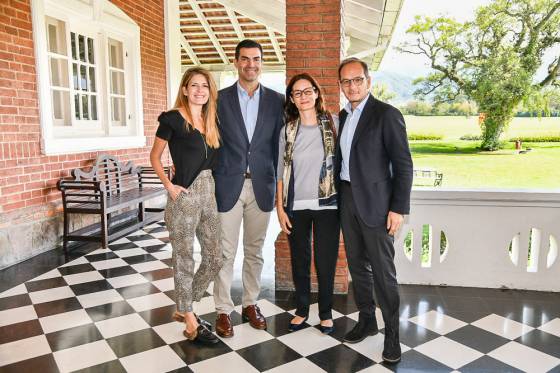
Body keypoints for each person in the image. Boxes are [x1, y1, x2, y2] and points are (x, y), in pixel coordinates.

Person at [336, 58, 413, 363]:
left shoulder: (387, 114)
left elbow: (404, 165)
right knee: (357, 267)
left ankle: (392, 334)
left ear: (368, 81)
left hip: (379, 206)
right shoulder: (342, 116)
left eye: (357, 80)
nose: (352, 86)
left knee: (383, 273)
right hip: (347, 200)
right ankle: (367, 320)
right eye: (346, 81)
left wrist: (398, 208)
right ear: (341, 85)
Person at [212, 39, 284, 337]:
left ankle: (250, 303)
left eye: (255, 59)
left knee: (255, 251)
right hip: (228, 184)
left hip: (262, 187)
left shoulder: (278, 101)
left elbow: (283, 144)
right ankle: (223, 310)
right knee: (225, 252)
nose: (250, 64)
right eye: (244, 59)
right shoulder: (219, 99)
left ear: (261, 63)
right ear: (236, 61)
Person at [150, 67, 223, 344]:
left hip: (209, 192)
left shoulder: (211, 119)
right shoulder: (172, 119)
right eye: (194, 85)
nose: (200, 90)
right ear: (184, 89)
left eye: (205, 85)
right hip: (184, 194)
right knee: (184, 257)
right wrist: (169, 186)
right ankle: (190, 321)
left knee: (215, 256)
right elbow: (155, 156)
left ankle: (184, 305)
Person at [276, 73, 339, 334]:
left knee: (326, 261)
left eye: (307, 91)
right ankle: (302, 310)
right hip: (295, 206)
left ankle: (325, 313)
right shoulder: (287, 130)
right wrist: (280, 208)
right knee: (300, 260)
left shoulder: (334, 124)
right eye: (297, 93)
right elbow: (279, 172)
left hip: (329, 205)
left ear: (316, 92)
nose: (303, 96)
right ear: (292, 98)